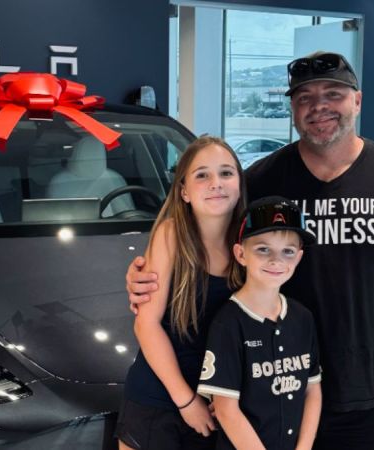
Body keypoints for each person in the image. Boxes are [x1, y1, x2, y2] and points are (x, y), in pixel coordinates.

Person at [126, 51, 374, 450]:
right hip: (271, 391)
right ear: (293, 110)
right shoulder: (260, 181)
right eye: (305, 98)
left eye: (333, 94)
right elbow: (200, 230)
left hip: (366, 390)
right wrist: (144, 273)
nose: (319, 107)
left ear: (357, 100)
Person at [116, 136, 246, 450]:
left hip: (219, 405)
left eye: (226, 173)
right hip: (159, 400)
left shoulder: (250, 244)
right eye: (202, 175)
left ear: (240, 183)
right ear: (184, 191)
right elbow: (146, 324)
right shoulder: (171, 235)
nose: (216, 183)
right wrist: (187, 402)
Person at [197, 196, 322, 450]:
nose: (277, 260)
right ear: (241, 254)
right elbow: (226, 409)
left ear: (299, 257)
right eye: (263, 249)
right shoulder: (228, 323)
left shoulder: (303, 317)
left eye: (288, 251)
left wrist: (304, 446)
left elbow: (312, 391)